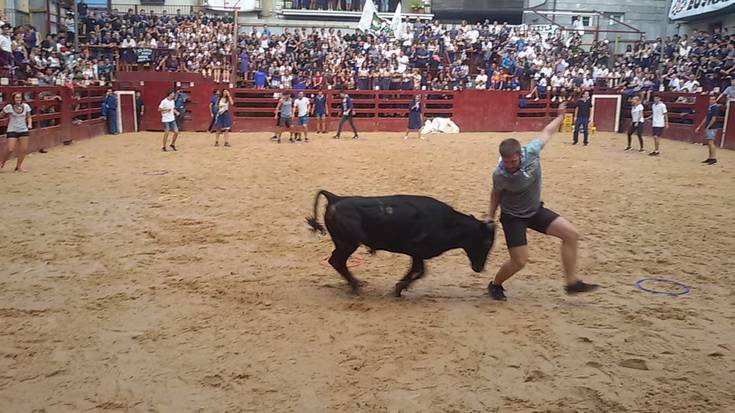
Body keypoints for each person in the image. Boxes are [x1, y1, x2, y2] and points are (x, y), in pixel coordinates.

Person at [487, 101, 599, 301]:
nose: (510, 165)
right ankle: (495, 285)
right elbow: (495, 194)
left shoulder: (531, 151)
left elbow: (547, 132)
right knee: (520, 261)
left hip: (534, 210)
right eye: (506, 162)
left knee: (571, 235)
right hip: (513, 217)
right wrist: (490, 215)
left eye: (513, 161)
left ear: (519, 155)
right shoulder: (499, 174)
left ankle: (571, 283)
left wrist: (560, 117)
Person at [0, 92, 33, 172]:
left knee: (24, 149)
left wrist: (29, 124)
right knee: (10, 149)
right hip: (12, 129)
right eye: (16, 98)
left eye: (20, 97)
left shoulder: (25, 106)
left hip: (23, 129)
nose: (18, 99)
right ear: (13, 99)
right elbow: (1, 115)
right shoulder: (9, 107)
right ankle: (2, 163)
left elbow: (29, 117)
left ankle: (19, 166)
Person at [695, 96, 720, 165]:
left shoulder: (715, 108)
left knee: (711, 142)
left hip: (712, 127)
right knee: (709, 143)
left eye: (713, 99)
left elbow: (714, 119)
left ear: (715, 100)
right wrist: (700, 126)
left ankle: (713, 158)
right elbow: (706, 118)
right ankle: (710, 158)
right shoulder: (711, 108)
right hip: (710, 127)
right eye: (710, 99)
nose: (711, 101)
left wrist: (708, 127)